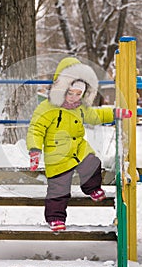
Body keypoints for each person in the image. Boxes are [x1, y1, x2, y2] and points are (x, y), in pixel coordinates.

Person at [26, 57, 114, 231]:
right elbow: (35, 129)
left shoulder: (80, 107)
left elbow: (96, 116)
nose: (74, 97)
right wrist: (35, 150)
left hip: (78, 148)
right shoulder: (47, 108)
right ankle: (55, 218)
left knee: (92, 162)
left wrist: (115, 113)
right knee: (59, 188)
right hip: (57, 155)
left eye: (78, 94)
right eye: (70, 93)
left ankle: (92, 188)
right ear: (61, 89)